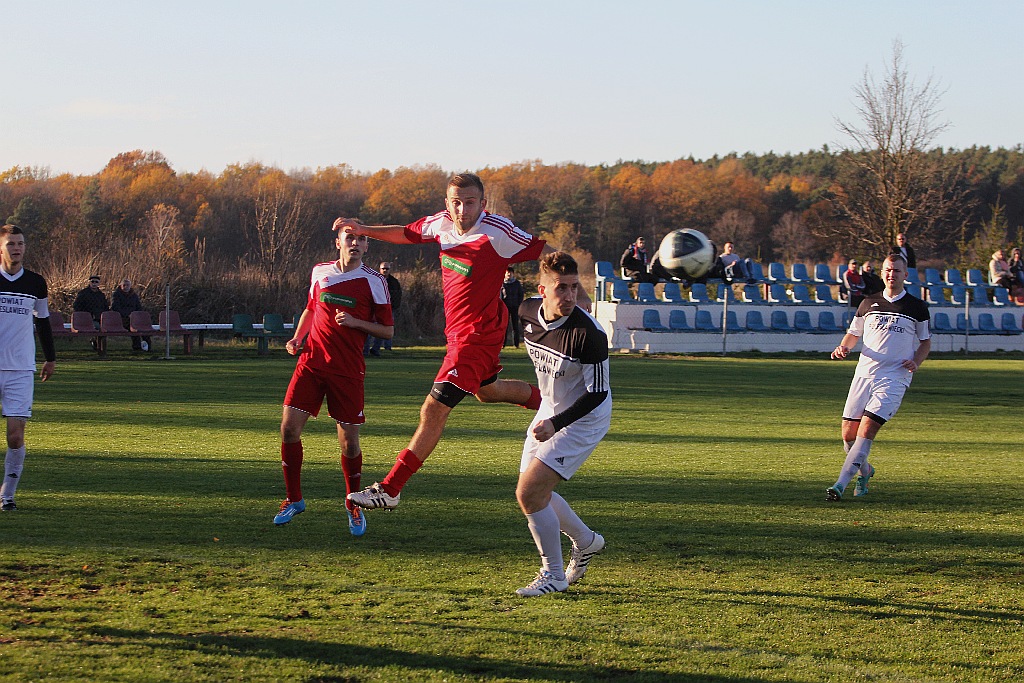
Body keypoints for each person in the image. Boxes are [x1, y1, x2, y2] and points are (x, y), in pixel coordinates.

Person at [335, 172, 588, 512]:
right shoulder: (440, 224)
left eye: (470, 202)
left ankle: (391, 487)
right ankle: (564, 408)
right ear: (447, 203)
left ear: (482, 204)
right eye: (456, 202)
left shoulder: (498, 233)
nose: (462, 209)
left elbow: (550, 252)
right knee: (489, 392)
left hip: (478, 335)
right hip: (458, 334)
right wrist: (364, 229)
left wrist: (578, 291)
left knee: (434, 408)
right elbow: (406, 233)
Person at [273, 227, 394, 537]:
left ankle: (353, 503)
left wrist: (355, 322)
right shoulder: (320, 271)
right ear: (337, 242)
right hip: (311, 363)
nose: (355, 243)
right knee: (288, 429)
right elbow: (312, 309)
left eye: (361, 239)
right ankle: (294, 499)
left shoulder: (375, 281)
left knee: (349, 442)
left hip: (347, 370)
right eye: (349, 238)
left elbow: (388, 331)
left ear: (367, 246)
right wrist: (298, 337)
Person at [513, 251, 611, 597]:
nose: (569, 296)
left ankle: (553, 575)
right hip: (550, 414)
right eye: (561, 288)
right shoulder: (526, 312)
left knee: (528, 492)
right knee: (536, 492)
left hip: (583, 419)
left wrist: (556, 423)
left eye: (574, 287)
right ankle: (586, 542)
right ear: (542, 290)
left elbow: (597, 393)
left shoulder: (589, 335)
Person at [827, 254, 930, 502]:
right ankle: (866, 471)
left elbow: (925, 342)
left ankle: (839, 485)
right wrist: (844, 347)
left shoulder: (916, 307)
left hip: (894, 377)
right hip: (864, 374)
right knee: (848, 436)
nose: (890, 274)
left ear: (905, 275)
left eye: (896, 270)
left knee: (866, 429)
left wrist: (915, 361)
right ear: (882, 273)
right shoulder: (867, 303)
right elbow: (853, 334)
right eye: (887, 270)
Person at [0, 225, 56, 512]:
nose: (16, 248)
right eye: (11, 243)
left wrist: (50, 357)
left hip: (21, 369)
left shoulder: (36, 283)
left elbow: (43, 321)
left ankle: (7, 496)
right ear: (1, 248)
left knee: (15, 436)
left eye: (20, 243)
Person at [364, 261, 402, 357]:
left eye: (387, 269)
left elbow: (397, 295)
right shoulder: (374, 279)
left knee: (383, 330)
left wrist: (393, 307)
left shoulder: (393, 282)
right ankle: (365, 350)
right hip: (373, 309)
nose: (385, 270)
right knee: (368, 329)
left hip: (387, 309)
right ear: (379, 269)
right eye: (383, 269)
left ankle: (376, 349)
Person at [111, 278, 148, 351]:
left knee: (144, 327)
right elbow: (115, 308)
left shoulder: (134, 296)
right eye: (124, 285)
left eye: (127, 285)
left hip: (134, 318)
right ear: (121, 286)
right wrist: (127, 315)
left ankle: (147, 346)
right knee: (133, 327)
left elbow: (139, 307)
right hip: (122, 319)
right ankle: (137, 347)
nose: (126, 287)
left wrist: (136, 315)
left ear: (130, 286)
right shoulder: (116, 295)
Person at [501, 266, 525, 348]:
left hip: (515, 307)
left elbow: (520, 294)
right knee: (504, 326)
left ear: (513, 274)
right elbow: (500, 296)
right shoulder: (502, 284)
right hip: (505, 308)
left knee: (515, 326)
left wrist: (519, 304)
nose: (509, 274)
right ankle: (503, 344)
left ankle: (516, 344)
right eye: (507, 272)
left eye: (510, 272)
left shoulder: (517, 283)